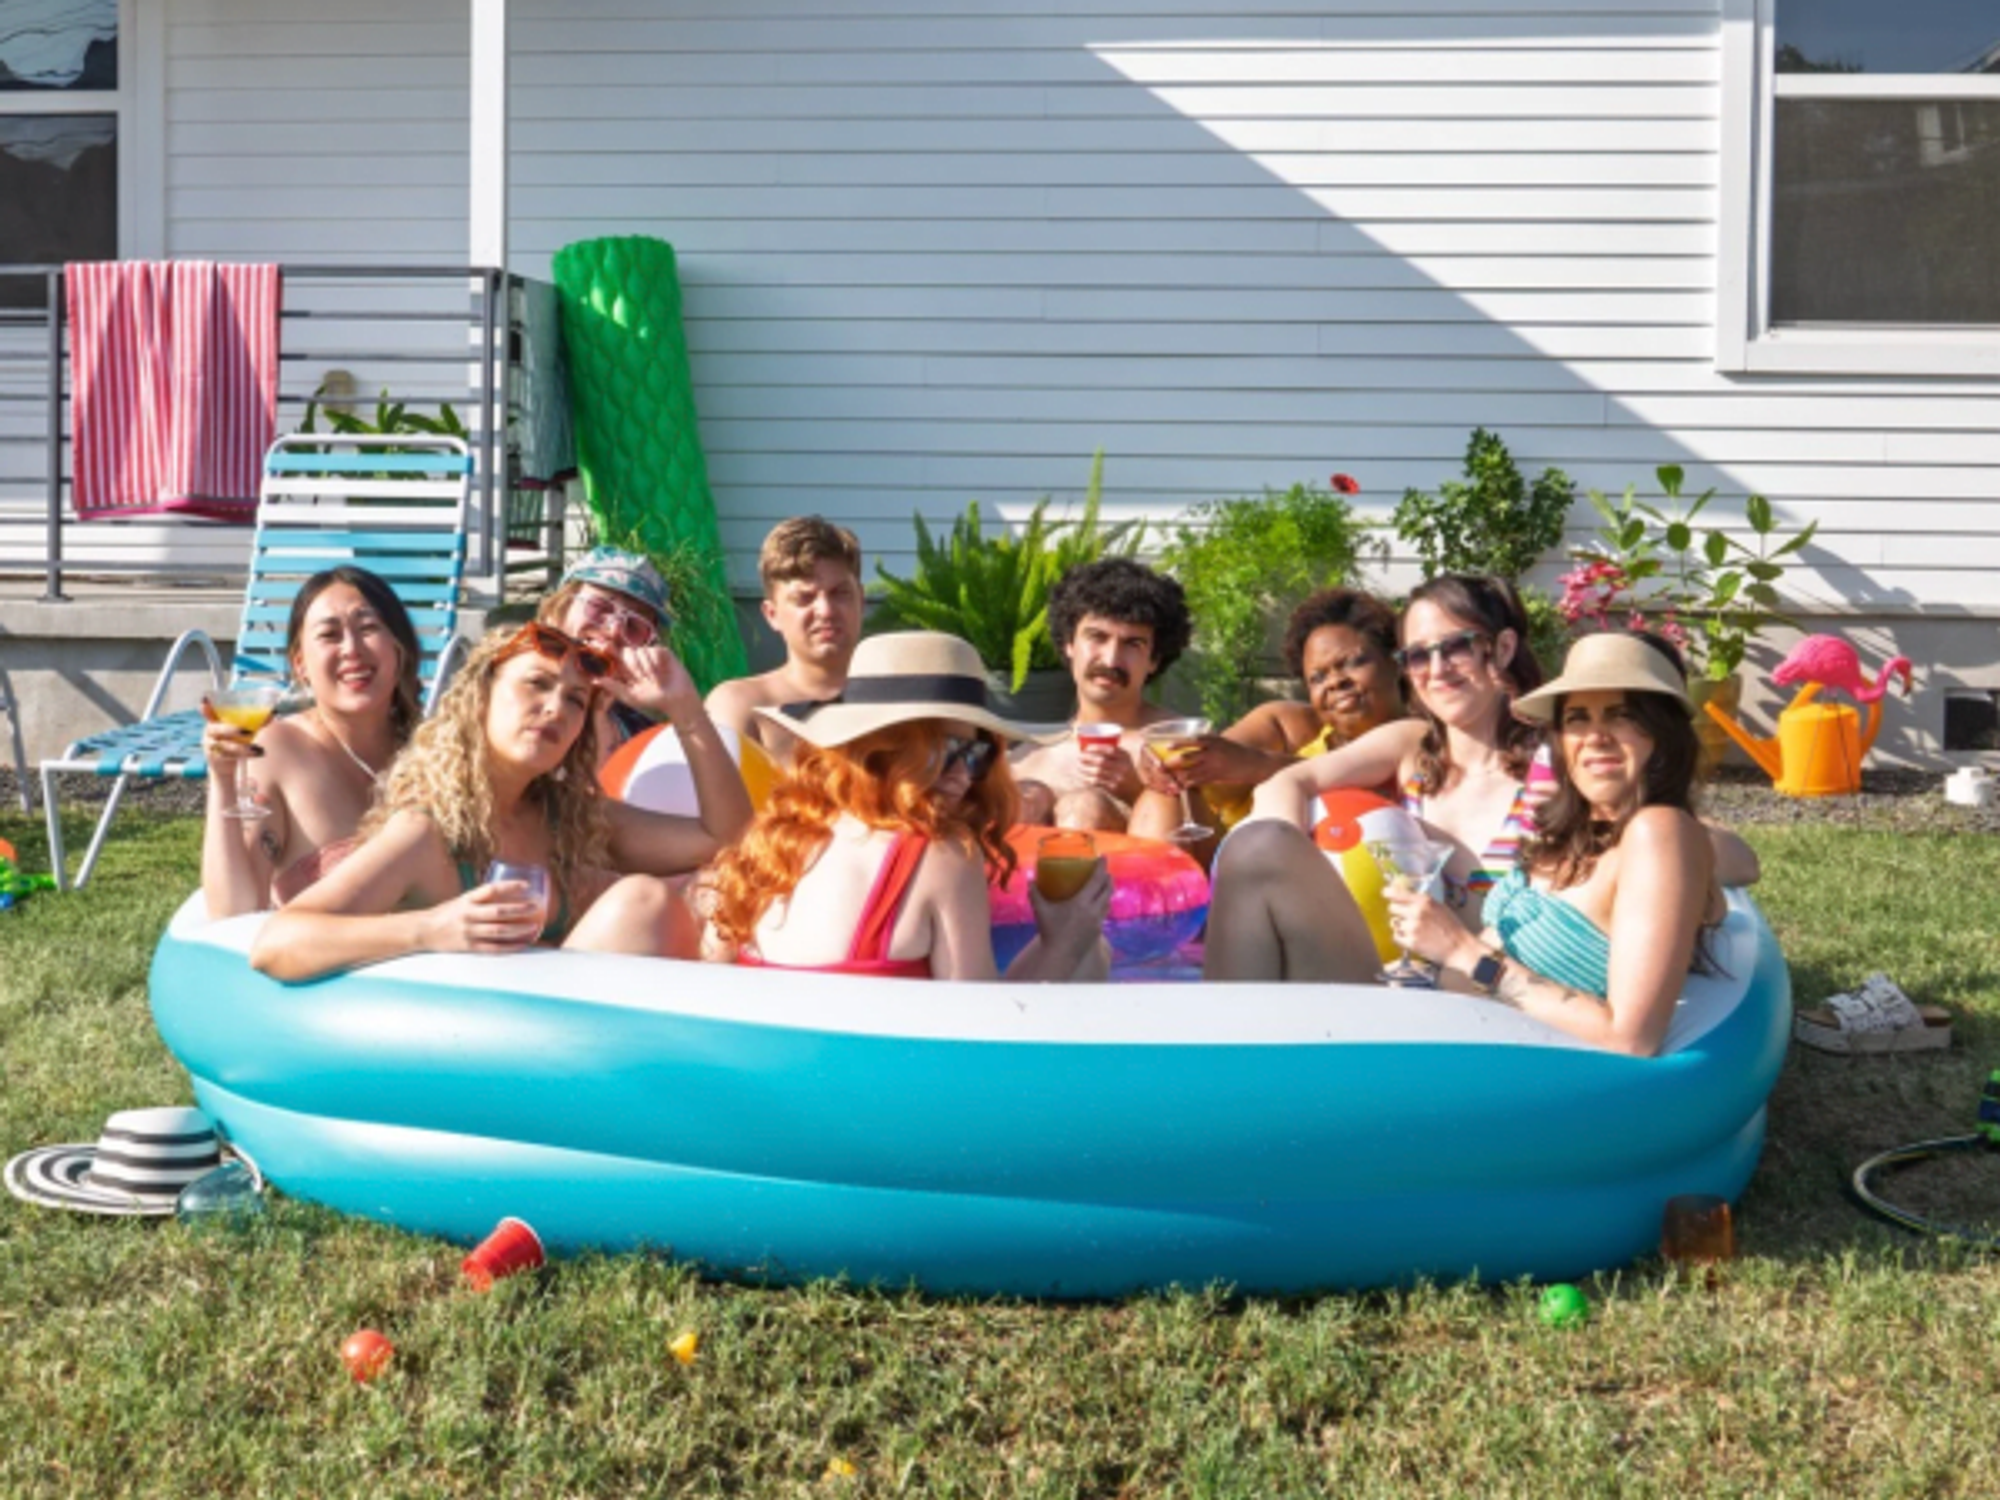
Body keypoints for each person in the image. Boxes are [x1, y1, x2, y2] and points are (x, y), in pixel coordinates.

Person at [250, 624, 723, 982]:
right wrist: (433, 928)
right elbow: (276, 944)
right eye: (536, 684)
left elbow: (724, 838)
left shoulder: (569, 819)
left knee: (704, 894)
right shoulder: (427, 833)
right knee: (642, 901)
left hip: (561, 1044)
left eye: (576, 700)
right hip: (466, 1055)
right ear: (480, 697)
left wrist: (684, 709)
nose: (557, 708)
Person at [1384, 631, 1728, 1056]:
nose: (1595, 736)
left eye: (1621, 716)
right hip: (1438, 1018)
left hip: (1497, 1073)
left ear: (1662, 734)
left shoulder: (1659, 832)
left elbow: (1631, 1038)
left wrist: (1463, 951)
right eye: (1578, 718)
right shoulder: (1575, 835)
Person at [698, 632, 1111, 981]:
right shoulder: (941, 856)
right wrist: (1064, 943)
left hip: (764, 1075)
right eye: (948, 750)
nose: (965, 776)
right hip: (880, 1075)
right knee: (1094, 954)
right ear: (883, 751)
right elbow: (982, 1036)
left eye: (977, 752)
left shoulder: (771, 844)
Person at [1203, 575, 1547, 984]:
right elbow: (1284, 784)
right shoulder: (1413, 746)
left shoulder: (1551, 772)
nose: (1436, 670)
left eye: (1456, 646)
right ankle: (1232, 1040)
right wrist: (1296, 866)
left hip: (1492, 995)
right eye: (1418, 656)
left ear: (1503, 648)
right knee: (1260, 846)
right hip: (1387, 984)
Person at [202, 566, 424, 918]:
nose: (351, 649)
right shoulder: (276, 752)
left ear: (399, 649)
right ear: (301, 665)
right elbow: (233, 913)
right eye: (330, 635)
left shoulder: (436, 750)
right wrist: (223, 780)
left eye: (368, 628)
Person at [1128, 587, 1405, 853]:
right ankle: (1151, 899)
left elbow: (1374, 791)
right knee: (1163, 796)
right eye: (1318, 678)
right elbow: (1213, 780)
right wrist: (1172, 768)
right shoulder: (1289, 726)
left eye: (1353, 662)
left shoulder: (1427, 737)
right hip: (1247, 879)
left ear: (1395, 662)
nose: (1335, 682)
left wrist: (1256, 765)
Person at [540, 546, 751, 837]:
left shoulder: (643, 739)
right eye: (600, 608)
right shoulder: (510, 699)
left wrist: (685, 707)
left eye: (635, 626)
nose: (614, 630)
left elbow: (729, 835)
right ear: (556, 610)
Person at [1011, 558, 1193, 831]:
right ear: (1069, 643)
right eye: (1097, 637)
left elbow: (1209, 859)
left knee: (1085, 807)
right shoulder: (1028, 758)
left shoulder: (1180, 748)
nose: (1111, 660)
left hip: (1140, 871)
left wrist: (1138, 792)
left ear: (1155, 658)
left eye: (1133, 643)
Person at [704, 517, 866, 767]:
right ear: (772, 614)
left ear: (861, 600)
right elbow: (721, 804)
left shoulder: (901, 698)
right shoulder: (741, 706)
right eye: (804, 598)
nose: (825, 610)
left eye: (840, 593)